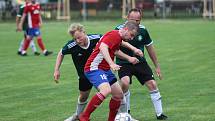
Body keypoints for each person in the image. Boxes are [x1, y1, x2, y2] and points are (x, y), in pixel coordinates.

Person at [79, 21, 141, 121]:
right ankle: (84, 116)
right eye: (131, 35)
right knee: (106, 90)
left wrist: (129, 58)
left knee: (118, 95)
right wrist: (111, 63)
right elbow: (103, 47)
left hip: (104, 69)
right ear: (126, 29)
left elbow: (115, 51)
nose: (132, 38)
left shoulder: (117, 37)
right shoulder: (114, 35)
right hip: (94, 68)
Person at [115, 8, 168, 120]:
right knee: (125, 83)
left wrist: (157, 66)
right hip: (124, 62)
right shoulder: (119, 30)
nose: (135, 23)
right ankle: (126, 113)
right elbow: (114, 50)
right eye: (132, 20)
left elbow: (150, 49)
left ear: (141, 20)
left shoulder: (143, 30)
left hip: (140, 62)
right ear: (127, 18)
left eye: (137, 20)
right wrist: (128, 58)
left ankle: (160, 114)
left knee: (152, 84)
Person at [54, 23, 103, 121]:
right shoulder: (72, 45)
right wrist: (56, 70)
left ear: (84, 32)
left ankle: (121, 114)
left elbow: (109, 42)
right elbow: (61, 53)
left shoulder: (96, 38)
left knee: (108, 91)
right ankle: (78, 115)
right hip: (84, 76)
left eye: (79, 37)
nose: (77, 40)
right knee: (83, 97)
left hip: (98, 72)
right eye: (75, 39)